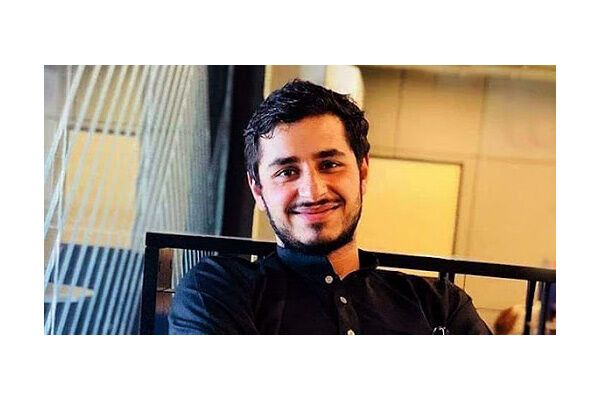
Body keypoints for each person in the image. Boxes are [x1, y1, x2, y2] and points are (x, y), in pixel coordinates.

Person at [169, 79, 491, 334]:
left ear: (362, 173)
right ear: (258, 189)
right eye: (287, 172)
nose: (313, 191)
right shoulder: (216, 291)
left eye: (330, 165)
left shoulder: (441, 305)